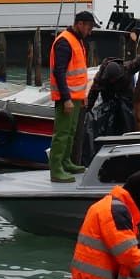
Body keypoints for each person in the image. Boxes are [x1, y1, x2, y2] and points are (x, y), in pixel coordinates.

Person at [76, 52, 140, 165]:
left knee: (127, 123)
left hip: (126, 101)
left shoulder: (128, 68)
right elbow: (93, 93)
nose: (113, 82)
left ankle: (127, 149)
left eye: (115, 80)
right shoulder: (100, 77)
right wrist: (88, 110)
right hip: (109, 102)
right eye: (111, 81)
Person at [47, 10, 97, 182]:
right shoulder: (65, 42)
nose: (90, 31)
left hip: (76, 97)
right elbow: (59, 72)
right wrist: (66, 98)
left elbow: (77, 73)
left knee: (71, 132)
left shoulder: (78, 41)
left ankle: (66, 162)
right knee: (61, 133)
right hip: (66, 98)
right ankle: (56, 169)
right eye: (89, 27)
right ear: (80, 24)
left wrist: (81, 95)